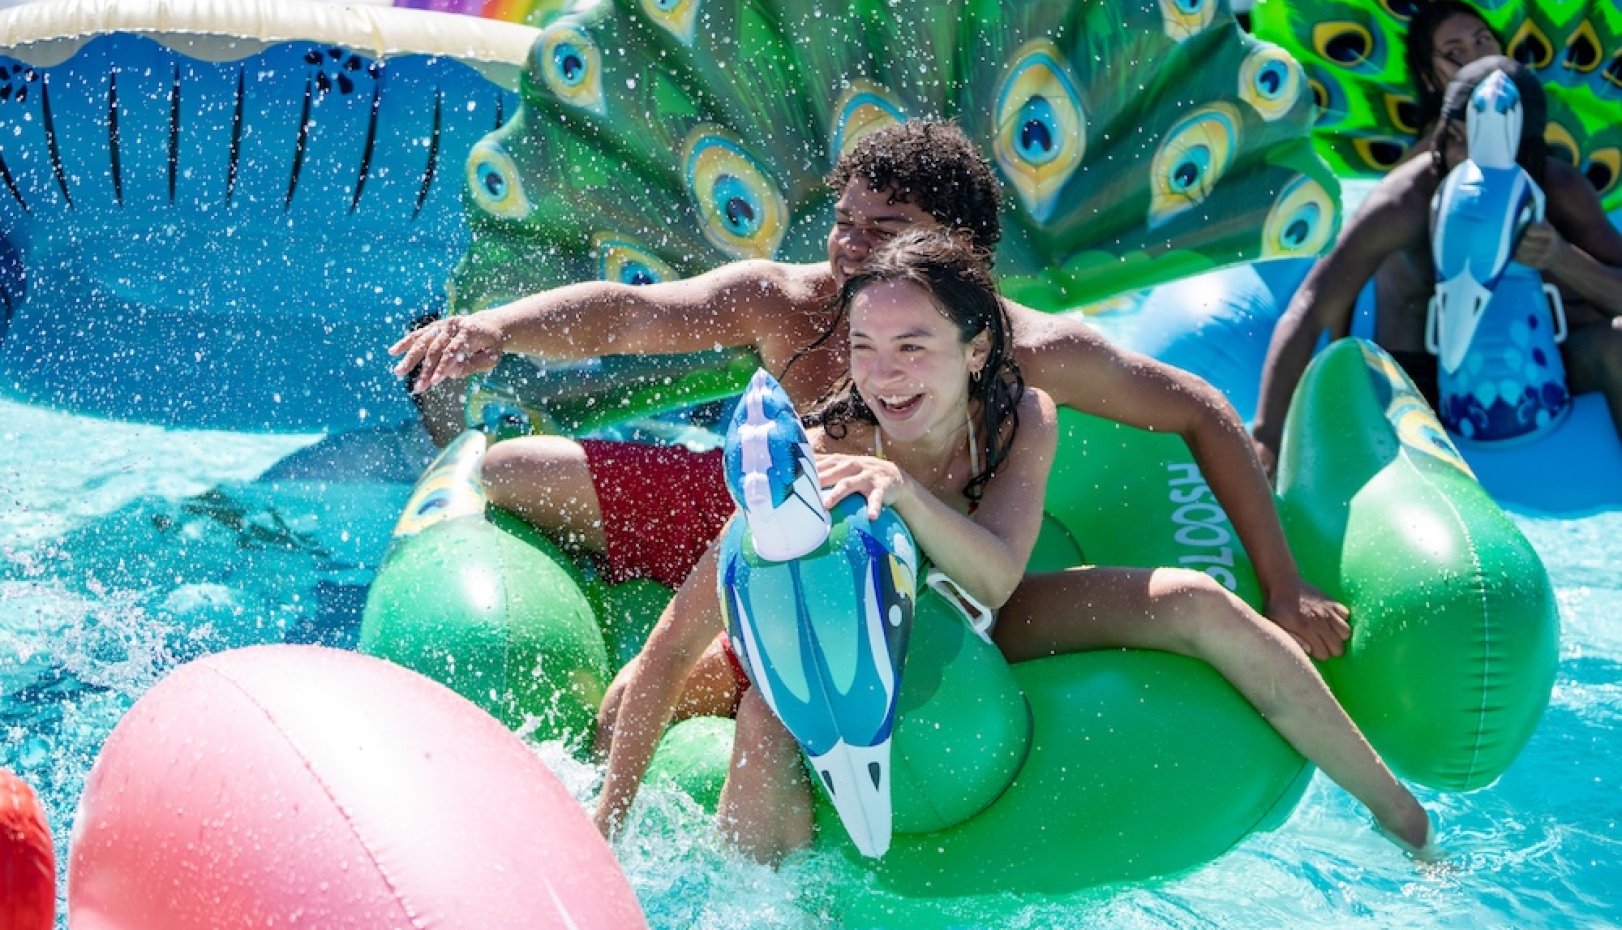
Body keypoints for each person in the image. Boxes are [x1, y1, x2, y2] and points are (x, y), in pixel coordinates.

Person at [389, 119, 1353, 830]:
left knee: (666, 690)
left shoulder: (1015, 350)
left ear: (954, 252)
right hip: (748, 504)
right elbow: (635, 315)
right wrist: (495, 331)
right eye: (843, 220)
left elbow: (1200, 407)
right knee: (512, 472)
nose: (848, 245)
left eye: (879, 226)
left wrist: (1285, 582)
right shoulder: (788, 298)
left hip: (871, 552)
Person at [712, 229, 1430, 862]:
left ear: (977, 350)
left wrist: (903, 490)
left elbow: (993, 581)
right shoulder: (828, 454)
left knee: (1194, 598)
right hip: (865, 641)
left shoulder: (1020, 415)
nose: (884, 373)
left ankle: (1402, 815)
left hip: (981, 608)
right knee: (762, 717)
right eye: (864, 347)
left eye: (912, 346)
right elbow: (725, 595)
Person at [1252, 58, 1622, 471]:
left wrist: (1561, 258)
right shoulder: (1405, 203)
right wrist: (1267, 437)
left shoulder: (1559, 191)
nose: (1466, 157)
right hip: (1423, 377)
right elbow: (1311, 305)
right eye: (1457, 138)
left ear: (1528, 146)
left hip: (1544, 366)